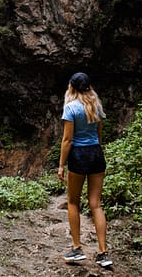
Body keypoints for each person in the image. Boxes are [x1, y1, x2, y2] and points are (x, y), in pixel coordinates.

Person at [57, 72, 113, 267]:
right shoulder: (96, 106)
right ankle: (103, 252)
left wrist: (61, 164)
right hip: (96, 153)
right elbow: (99, 135)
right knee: (96, 204)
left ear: (71, 87)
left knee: (73, 202)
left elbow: (67, 140)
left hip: (79, 155)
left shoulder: (70, 108)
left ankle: (77, 248)